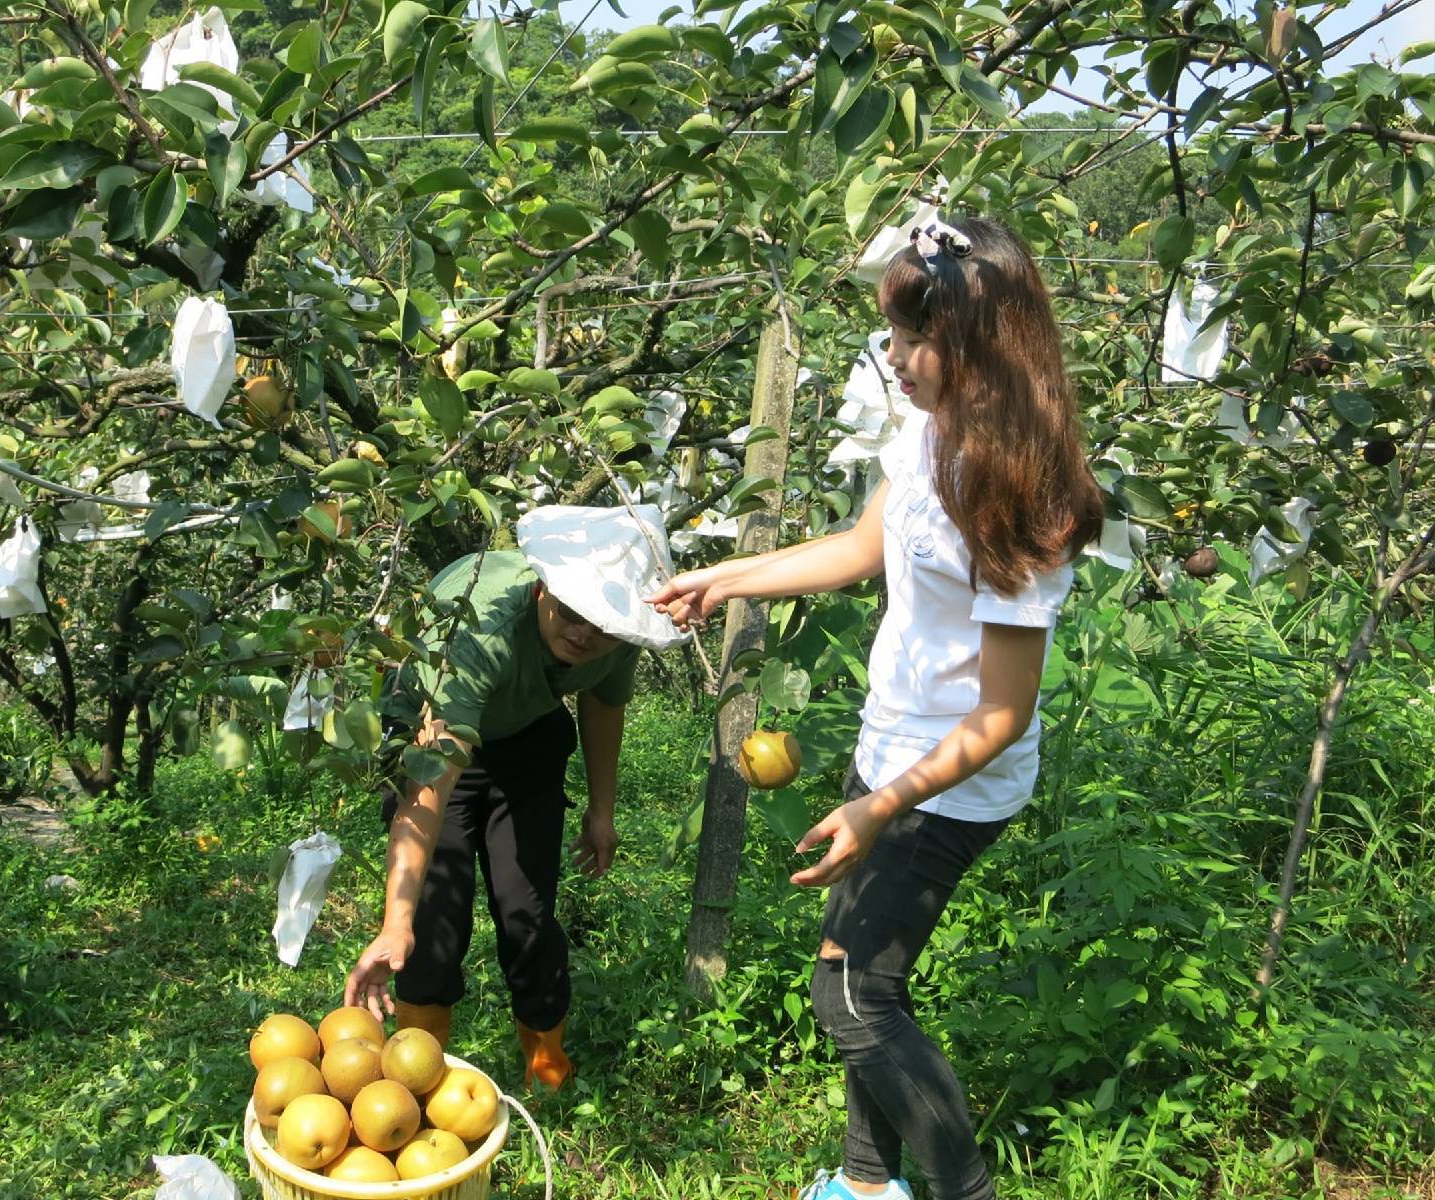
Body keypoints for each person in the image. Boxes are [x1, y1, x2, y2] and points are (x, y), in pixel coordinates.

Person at [648, 216, 1103, 1200]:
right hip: (891, 746)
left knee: (852, 995)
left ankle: (961, 1191)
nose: (892, 358)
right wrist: (733, 577)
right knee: (857, 973)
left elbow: (1003, 715)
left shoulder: (1023, 495)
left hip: (948, 783)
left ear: (977, 345)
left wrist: (879, 806)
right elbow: (862, 547)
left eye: (910, 338)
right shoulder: (929, 428)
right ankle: (865, 1187)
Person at [345, 503, 688, 1088]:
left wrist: (601, 809)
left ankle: (547, 1064)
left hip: (526, 735)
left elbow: (604, 704)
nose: (585, 633)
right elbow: (429, 788)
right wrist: (395, 920)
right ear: (544, 590)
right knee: (430, 924)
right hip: (440, 730)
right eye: (572, 613)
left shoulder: (622, 624)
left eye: (603, 627)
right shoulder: (480, 633)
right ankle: (418, 1077)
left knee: (526, 911)